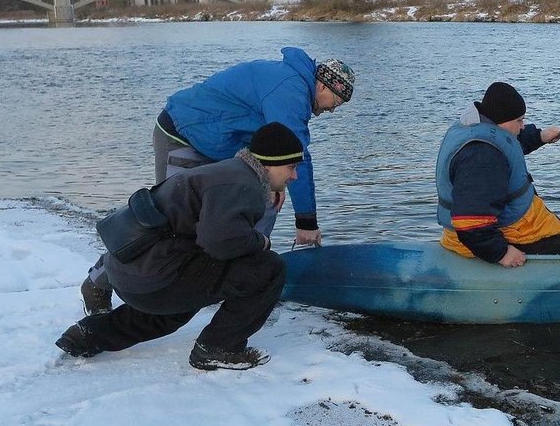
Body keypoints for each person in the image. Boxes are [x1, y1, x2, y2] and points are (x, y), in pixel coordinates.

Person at [80, 47, 355, 315]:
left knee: (257, 205)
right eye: (337, 102)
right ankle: (98, 279)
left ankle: (238, 281)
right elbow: (297, 154)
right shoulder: (291, 90)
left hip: (220, 145)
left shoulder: (294, 85)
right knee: (170, 222)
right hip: (183, 134)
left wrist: (272, 183)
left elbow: (266, 140)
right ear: (324, 87)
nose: (333, 110)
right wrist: (306, 221)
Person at [56, 122, 304, 371]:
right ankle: (218, 348)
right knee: (269, 269)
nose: (294, 176)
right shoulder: (242, 185)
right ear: (270, 162)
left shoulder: (229, 171)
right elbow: (220, 243)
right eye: (291, 167)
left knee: (181, 304)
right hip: (152, 277)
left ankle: (88, 335)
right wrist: (261, 241)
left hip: (133, 275)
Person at [435, 81, 560, 268]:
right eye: (519, 120)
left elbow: (509, 142)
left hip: (503, 230)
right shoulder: (482, 158)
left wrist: (540, 136)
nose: (522, 126)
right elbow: (470, 221)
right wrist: (501, 253)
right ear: (502, 120)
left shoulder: (481, 128)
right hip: (497, 238)